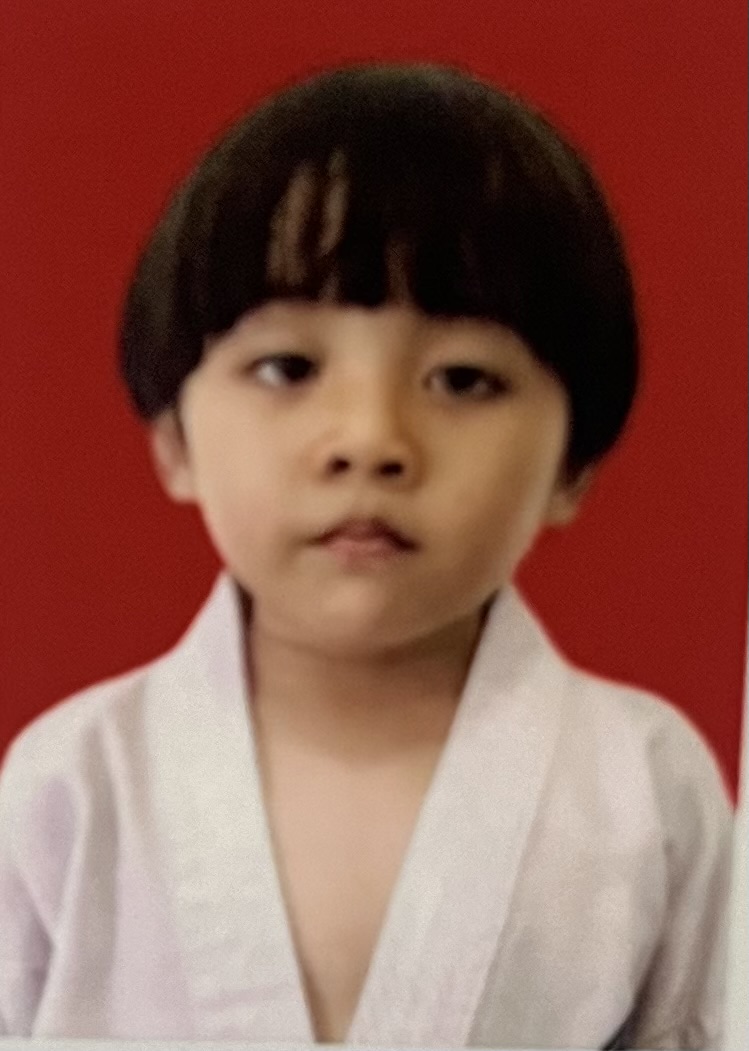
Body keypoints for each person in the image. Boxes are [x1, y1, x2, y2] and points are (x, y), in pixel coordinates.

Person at [0, 63, 733, 1047]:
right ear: (174, 442)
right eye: (287, 367)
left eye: (462, 379)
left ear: (571, 467)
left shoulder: (644, 788)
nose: (369, 438)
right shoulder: (68, 787)